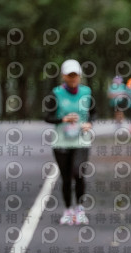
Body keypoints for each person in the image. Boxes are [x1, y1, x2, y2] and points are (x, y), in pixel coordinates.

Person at [44, 59, 95, 225]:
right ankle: (68, 210)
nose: (73, 78)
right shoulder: (56, 93)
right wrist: (63, 119)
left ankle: (80, 209)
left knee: (78, 172)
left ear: (80, 76)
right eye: (70, 75)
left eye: (75, 75)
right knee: (66, 177)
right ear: (64, 76)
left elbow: (94, 112)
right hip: (62, 141)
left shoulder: (87, 92)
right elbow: (47, 116)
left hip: (81, 140)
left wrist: (89, 123)